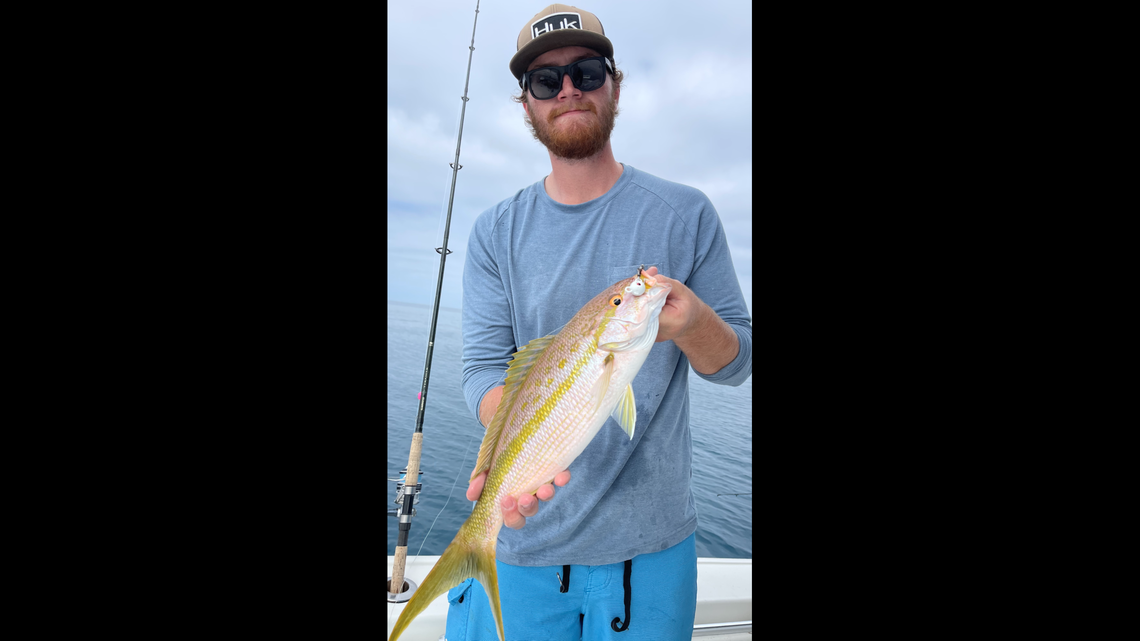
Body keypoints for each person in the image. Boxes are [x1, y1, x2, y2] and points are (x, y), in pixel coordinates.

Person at [454, 4, 752, 640]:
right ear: (525, 103)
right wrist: (519, 445)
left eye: (586, 72)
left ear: (615, 83)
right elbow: (481, 368)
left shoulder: (687, 213)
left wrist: (695, 323)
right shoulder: (493, 233)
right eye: (545, 81)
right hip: (522, 543)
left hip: (654, 551)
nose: (567, 90)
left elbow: (738, 363)